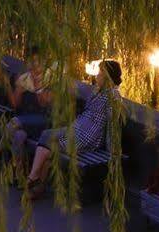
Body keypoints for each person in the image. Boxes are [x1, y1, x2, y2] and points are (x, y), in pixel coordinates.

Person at [11, 59, 121, 200]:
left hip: (89, 136)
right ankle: (36, 181)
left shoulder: (114, 96)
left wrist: (113, 151)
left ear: (107, 76)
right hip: (77, 127)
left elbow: (113, 124)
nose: (97, 75)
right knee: (47, 137)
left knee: (50, 147)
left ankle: (34, 180)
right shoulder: (98, 90)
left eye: (100, 73)